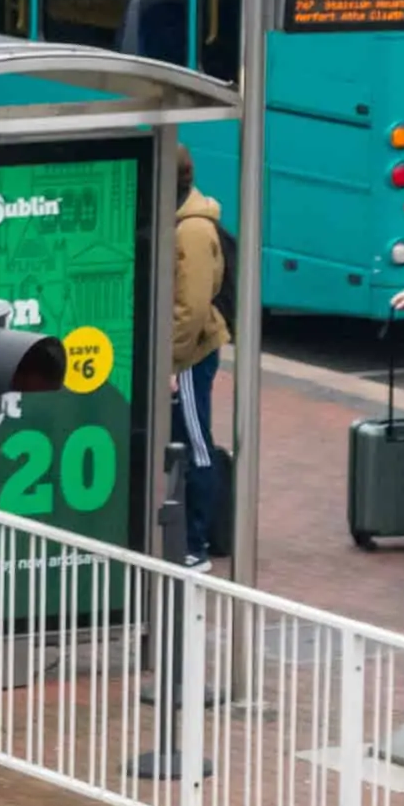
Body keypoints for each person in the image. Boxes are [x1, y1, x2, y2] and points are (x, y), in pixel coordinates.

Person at [167, 157, 231, 568]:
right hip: (183, 353)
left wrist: (170, 362)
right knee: (185, 442)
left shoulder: (190, 229)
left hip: (189, 356)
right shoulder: (183, 219)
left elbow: (190, 307)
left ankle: (196, 545)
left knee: (196, 445)